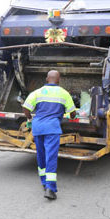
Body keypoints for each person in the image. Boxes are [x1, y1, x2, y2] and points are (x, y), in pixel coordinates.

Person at [22, 70, 76, 200]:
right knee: (51, 156)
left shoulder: (37, 92)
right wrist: (68, 114)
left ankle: (44, 183)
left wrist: (29, 118)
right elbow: (72, 113)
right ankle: (50, 189)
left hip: (38, 128)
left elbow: (26, 108)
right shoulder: (64, 93)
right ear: (59, 80)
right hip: (52, 128)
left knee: (41, 155)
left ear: (47, 79)